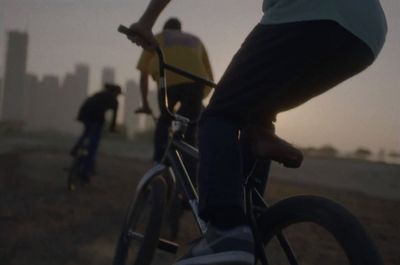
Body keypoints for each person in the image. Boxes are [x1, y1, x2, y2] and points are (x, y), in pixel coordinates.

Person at [126, 1, 387, 265]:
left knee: (218, 116)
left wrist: (146, 22)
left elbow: (146, 75)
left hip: (309, 13)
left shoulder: (161, 37)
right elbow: (207, 68)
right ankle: (256, 225)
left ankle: (226, 231)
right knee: (254, 113)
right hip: (367, 34)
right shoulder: (193, 41)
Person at [135, 17, 213, 163]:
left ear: (165, 29)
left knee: (165, 120)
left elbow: (143, 74)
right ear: (180, 30)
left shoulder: (158, 37)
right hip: (195, 82)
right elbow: (209, 72)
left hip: (168, 81)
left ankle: (159, 164)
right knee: (190, 127)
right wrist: (201, 95)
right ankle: (189, 172)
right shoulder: (196, 40)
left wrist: (145, 103)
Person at [70, 83, 121, 181]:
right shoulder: (114, 101)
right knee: (93, 146)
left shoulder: (98, 94)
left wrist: (80, 116)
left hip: (84, 114)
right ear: (115, 92)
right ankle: (85, 172)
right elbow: (113, 121)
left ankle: (75, 148)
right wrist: (112, 129)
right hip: (96, 119)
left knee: (86, 132)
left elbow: (86, 103)